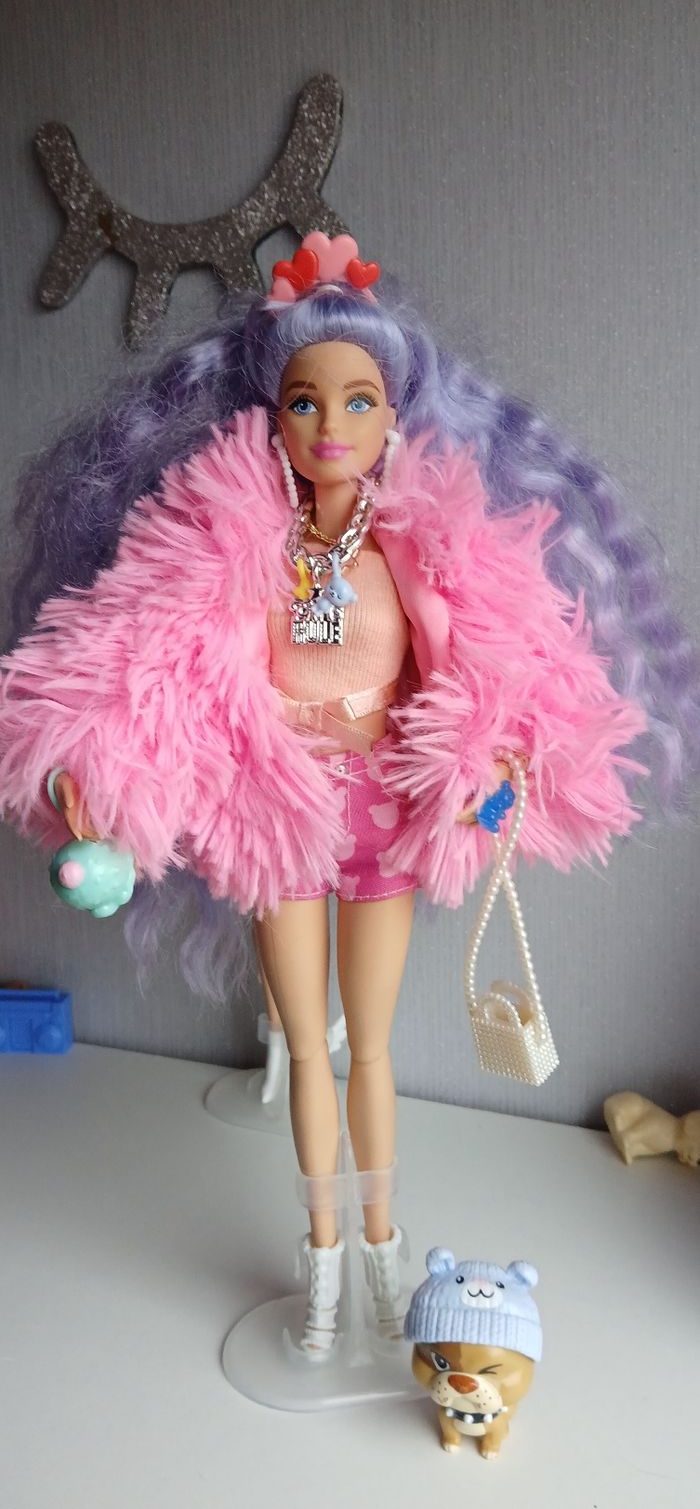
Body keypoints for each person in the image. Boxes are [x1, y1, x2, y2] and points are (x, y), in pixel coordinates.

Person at [1, 233, 696, 1355]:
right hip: (278, 817)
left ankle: (382, 1244)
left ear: (396, 413)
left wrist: (494, 754)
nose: (332, 426)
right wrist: (96, 764)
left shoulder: (419, 543)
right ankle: (320, 1256)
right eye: (306, 401)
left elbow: (498, 659)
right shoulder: (229, 538)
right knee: (305, 1043)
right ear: (271, 415)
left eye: (359, 400)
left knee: (369, 1045)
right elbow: (140, 654)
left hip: (383, 814)